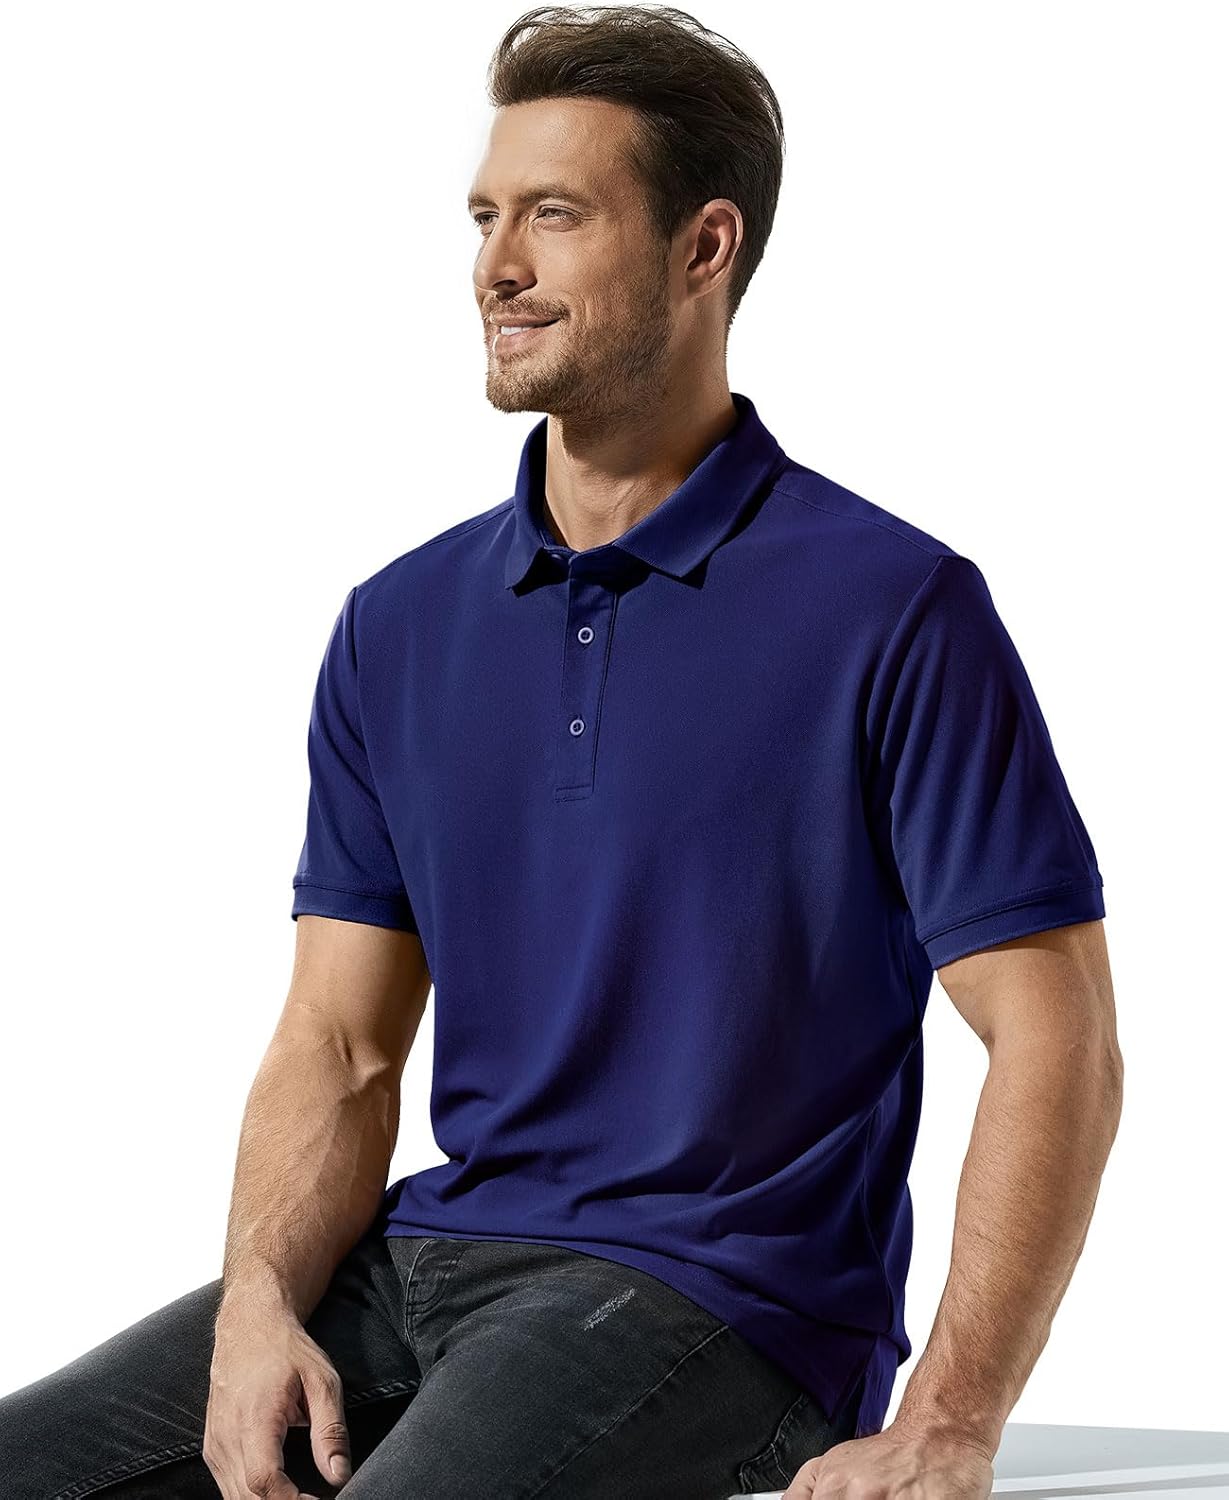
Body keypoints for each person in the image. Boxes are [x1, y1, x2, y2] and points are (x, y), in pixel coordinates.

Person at [0, 6, 1124, 1498]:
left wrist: (950, 1423)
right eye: (484, 217)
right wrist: (257, 1306)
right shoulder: (399, 625)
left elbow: (1056, 1036)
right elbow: (339, 1044)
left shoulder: (890, 606)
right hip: (429, 1259)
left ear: (702, 246)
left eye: (554, 214)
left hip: (725, 1305)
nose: (496, 266)